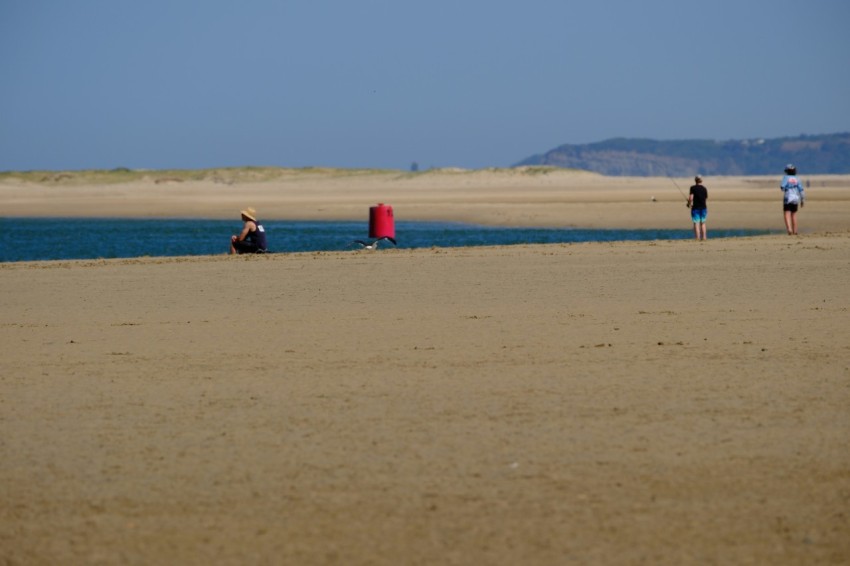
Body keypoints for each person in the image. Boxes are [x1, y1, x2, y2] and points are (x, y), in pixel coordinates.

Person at [781, 164, 805, 235]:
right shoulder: (797, 178)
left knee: (787, 213)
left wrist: (786, 188)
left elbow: (782, 187)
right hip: (796, 197)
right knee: (794, 214)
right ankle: (795, 231)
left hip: (788, 197)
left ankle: (789, 229)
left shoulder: (786, 177)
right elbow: (801, 190)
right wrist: (802, 200)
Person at [687, 175, 708, 240]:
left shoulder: (692, 188)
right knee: (703, 223)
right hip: (703, 208)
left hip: (696, 208)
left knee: (696, 223)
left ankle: (697, 237)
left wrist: (689, 203)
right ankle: (704, 237)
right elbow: (705, 197)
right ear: (701, 180)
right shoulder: (704, 188)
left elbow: (691, 197)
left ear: (695, 180)